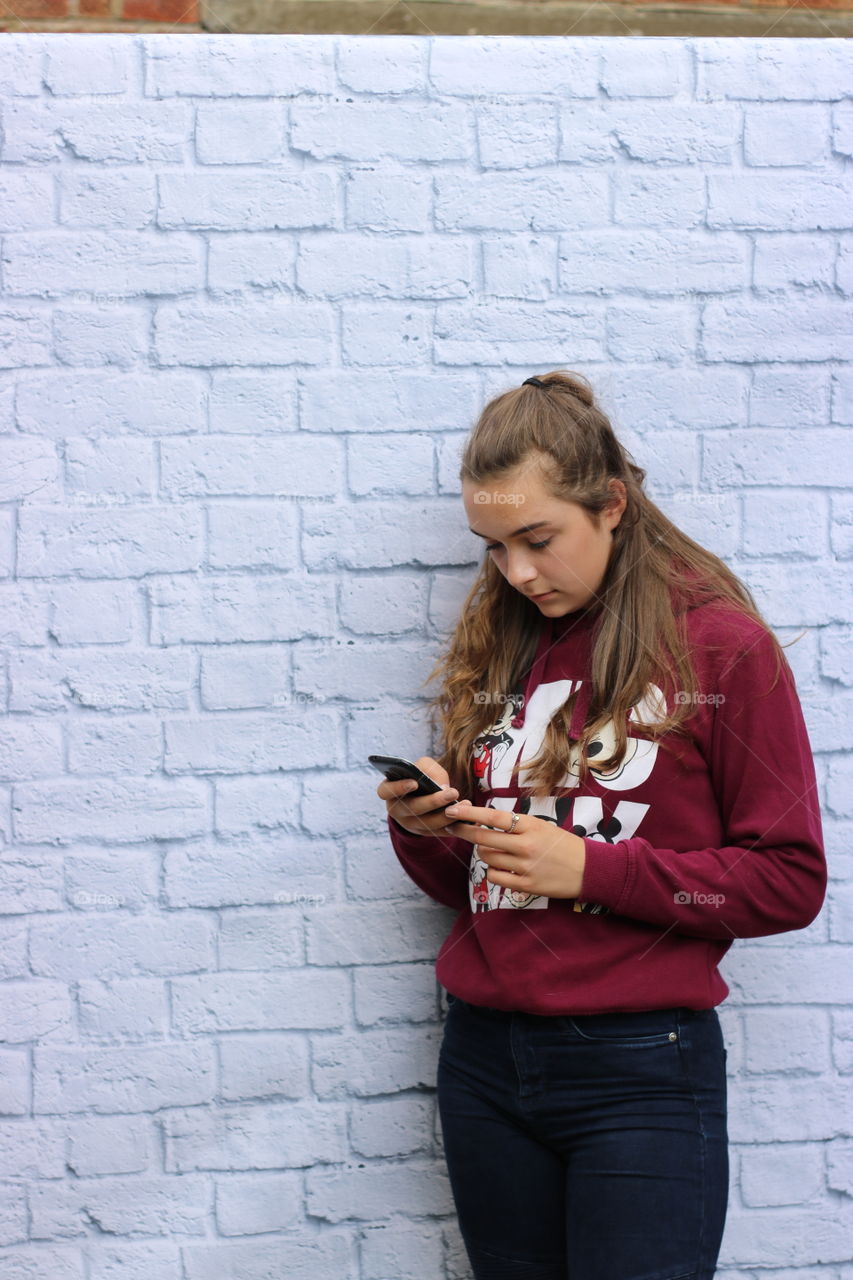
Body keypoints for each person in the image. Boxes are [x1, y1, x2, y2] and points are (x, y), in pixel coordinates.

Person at [375, 369, 827, 1280]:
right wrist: (430, 830)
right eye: (493, 547)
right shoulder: (506, 645)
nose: (517, 572)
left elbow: (788, 879)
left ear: (611, 502)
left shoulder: (722, 649)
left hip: (641, 1071)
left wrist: (593, 870)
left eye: (537, 539)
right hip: (483, 1060)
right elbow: (477, 885)